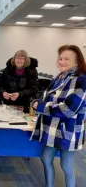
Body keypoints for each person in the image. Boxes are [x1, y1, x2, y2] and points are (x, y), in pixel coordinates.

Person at [31, 45, 86, 187]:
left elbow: (68, 109)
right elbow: (51, 98)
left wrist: (41, 106)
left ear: (77, 62)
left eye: (67, 59)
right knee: (45, 158)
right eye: (60, 58)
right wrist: (38, 102)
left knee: (66, 165)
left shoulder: (81, 80)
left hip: (69, 130)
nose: (61, 61)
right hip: (54, 128)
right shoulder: (60, 77)